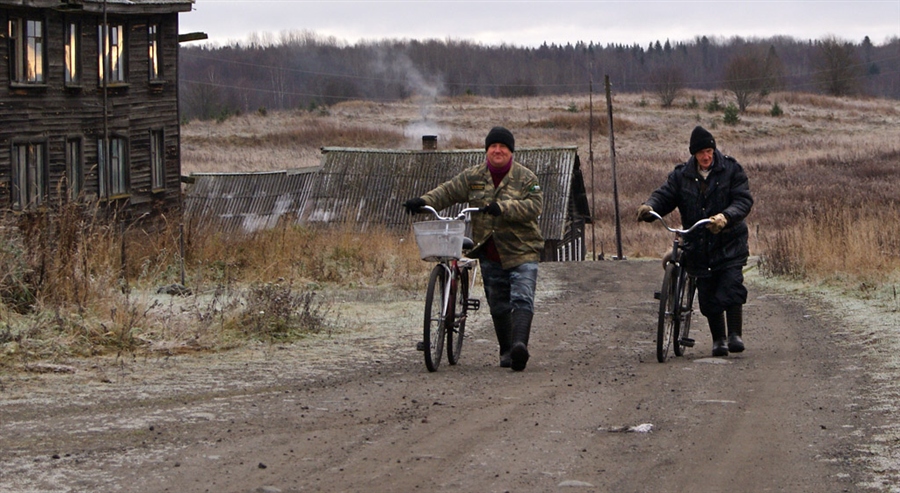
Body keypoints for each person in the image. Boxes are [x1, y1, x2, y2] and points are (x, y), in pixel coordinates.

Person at [403, 126, 544, 371]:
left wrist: (504, 207)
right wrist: (424, 201)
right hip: (489, 252)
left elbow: (535, 206)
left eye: (503, 147)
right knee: (498, 304)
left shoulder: (526, 178)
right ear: (487, 150)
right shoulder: (474, 176)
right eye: (493, 147)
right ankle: (507, 351)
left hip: (522, 250)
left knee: (522, 298)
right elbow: (447, 191)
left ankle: (520, 345)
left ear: (511, 152)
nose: (497, 151)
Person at [636, 126, 754, 357]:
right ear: (694, 154)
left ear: (714, 149)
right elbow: (665, 195)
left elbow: (743, 200)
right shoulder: (681, 175)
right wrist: (650, 207)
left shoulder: (731, 169)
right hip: (699, 244)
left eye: (709, 151)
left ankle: (734, 336)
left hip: (729, 242)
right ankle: (718, 340)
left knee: (730, 286)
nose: (706, 156)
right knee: (708, 294)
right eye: (701, 153)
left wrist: (725, 217)